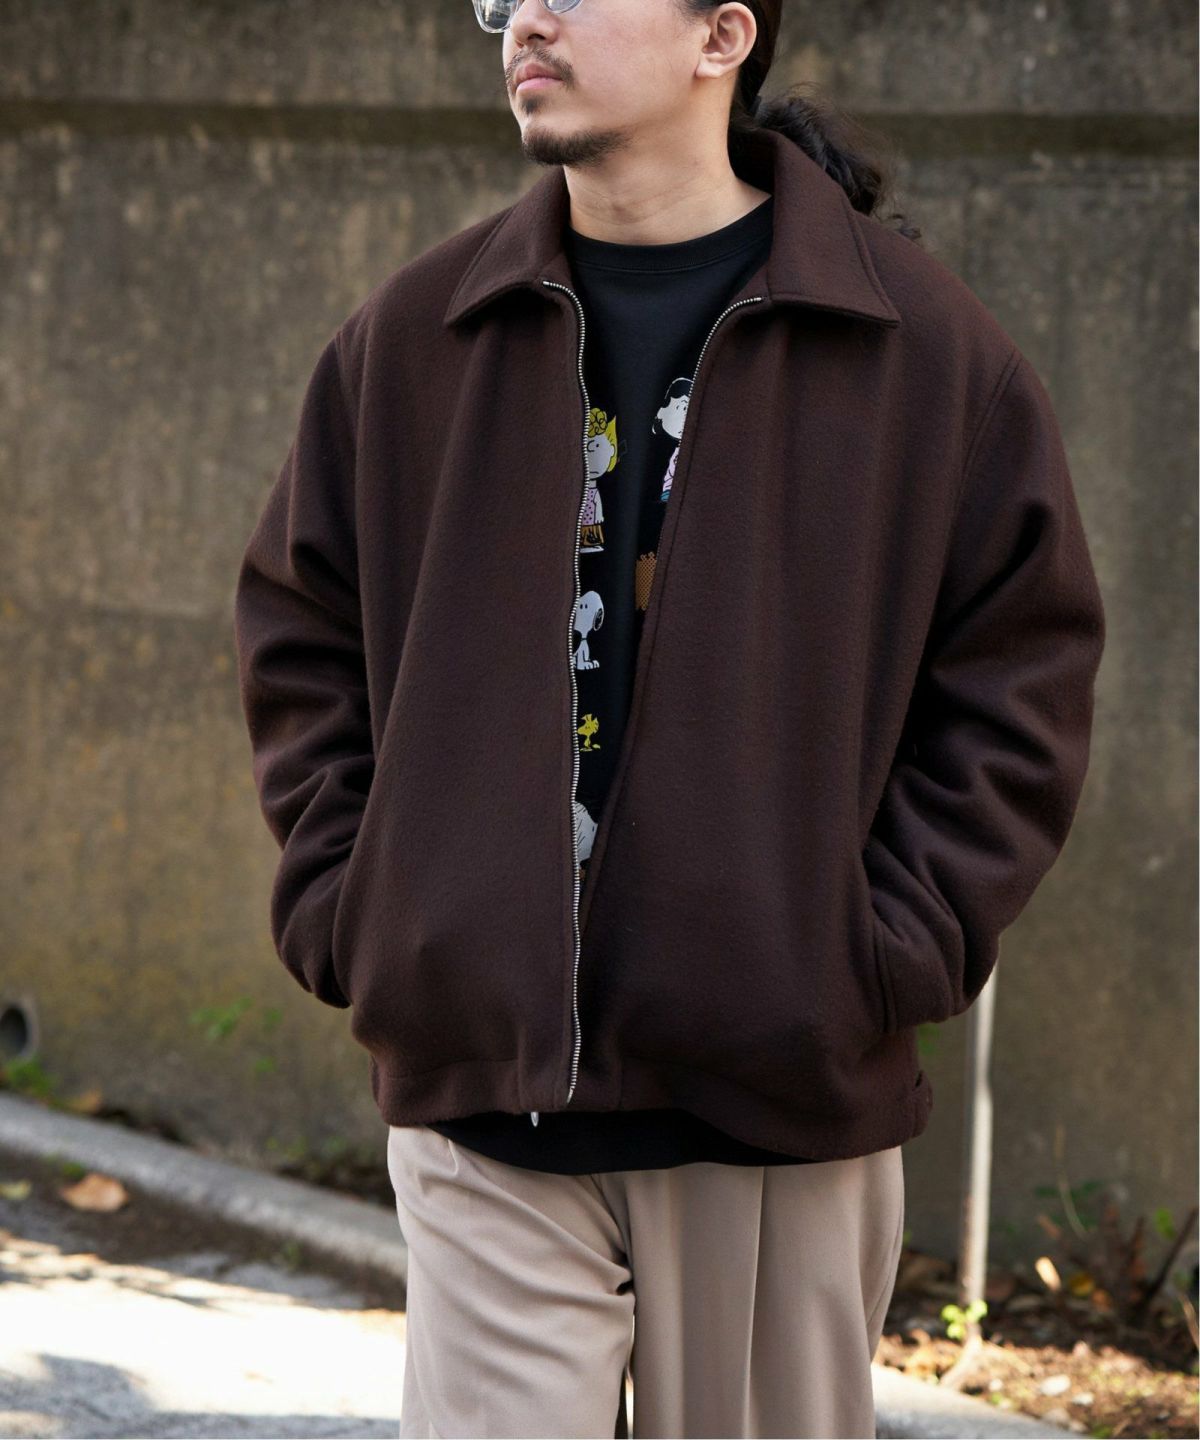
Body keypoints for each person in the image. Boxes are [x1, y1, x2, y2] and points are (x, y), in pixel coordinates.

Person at [232, 1, 1107, 1435]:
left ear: (722, 37)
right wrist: (359, 904)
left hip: (774, 1112)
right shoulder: (416, 335)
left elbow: (1020, 678)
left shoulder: (922, 352)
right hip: (482, 1103)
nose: (528, 17)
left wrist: (877, 952)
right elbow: (300, 627)